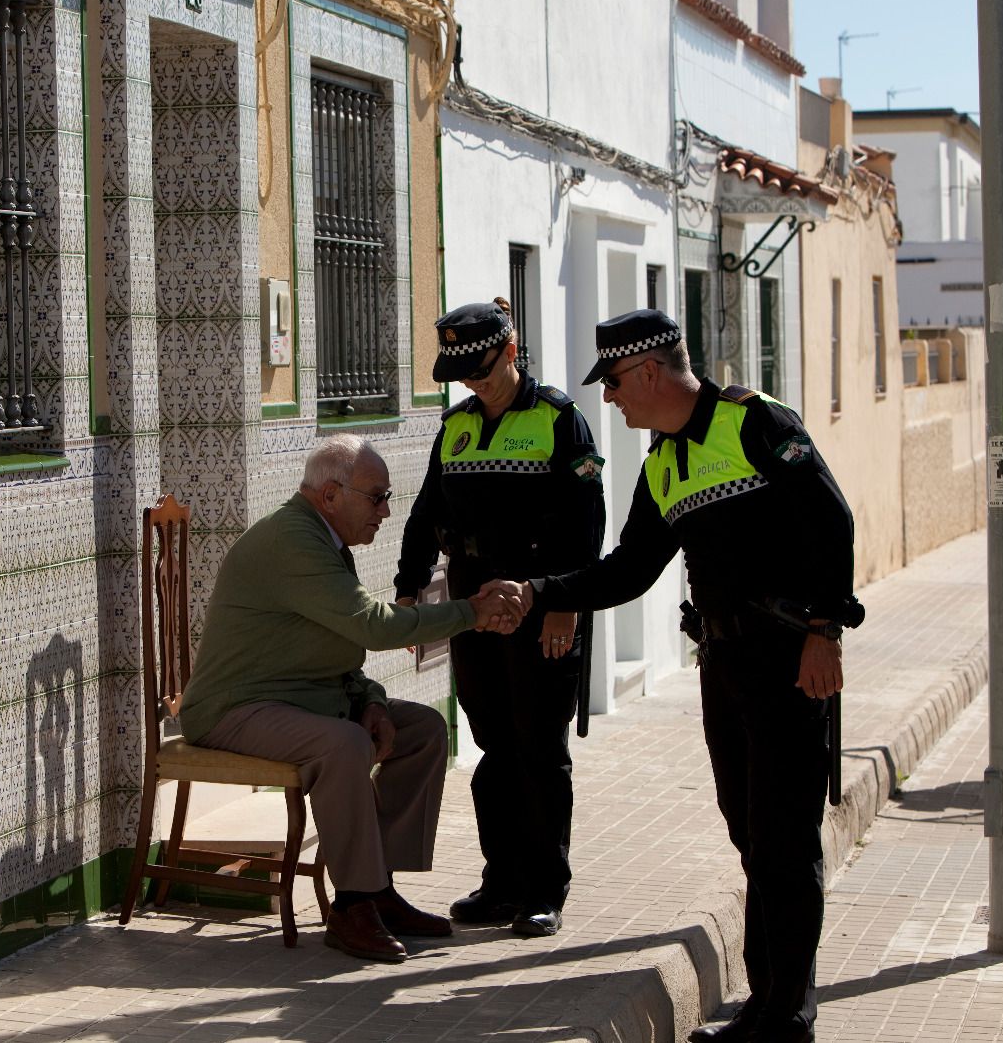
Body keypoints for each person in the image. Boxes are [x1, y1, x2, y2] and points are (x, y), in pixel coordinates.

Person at [525, 309, 857, 1043]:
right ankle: (766, 1003)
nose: (610, 397)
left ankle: (786, 1018)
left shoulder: (756, 424)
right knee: (750, 835)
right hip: (725, 666)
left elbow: (831, 522)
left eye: (614, 382)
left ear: (648, 371)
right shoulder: (663, 463)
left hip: (789, 659)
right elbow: (629, 569)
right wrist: (540, 593)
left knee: (784, 841)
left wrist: (825, 631)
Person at [180, 435, 528, 963]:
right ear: (330, 495)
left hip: (302, 700)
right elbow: (372, 626)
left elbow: (340, 647)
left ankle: (378, 888)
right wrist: (472, 613)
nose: (385, 510)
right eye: (377, 497)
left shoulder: (324, 538)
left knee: (423, 730)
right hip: (235, 708)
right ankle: (352, 905)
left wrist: (371, 700)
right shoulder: (293, 540)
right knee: (343, 745)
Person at [394, 299, 606, 939]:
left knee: (539, 748)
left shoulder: (559, 419)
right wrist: (408, 591)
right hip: (472, 606)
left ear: (511, 353)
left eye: (481, 370)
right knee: (493, 747)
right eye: (461, 374)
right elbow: (426, 512)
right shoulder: (456, 426)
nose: (472, 383)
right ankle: (501, 882)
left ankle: (543, 888)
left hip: (541, 606)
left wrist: (565, 604)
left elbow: (585, 524)